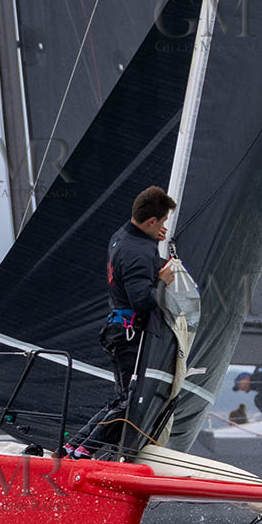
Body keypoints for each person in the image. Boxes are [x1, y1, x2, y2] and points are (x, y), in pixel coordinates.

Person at [71, 186, 178, 459]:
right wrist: (163, 282)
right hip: (128, 335)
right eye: (162, 222)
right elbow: (142, 300)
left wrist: (152, 240)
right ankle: (83, 451)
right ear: (151, 221)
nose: (163, 228)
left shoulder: (123, 235)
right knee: (131, 401)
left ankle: (75, 447)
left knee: (123, 400)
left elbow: (137, 261)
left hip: (118, 329)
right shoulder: (138, 251)